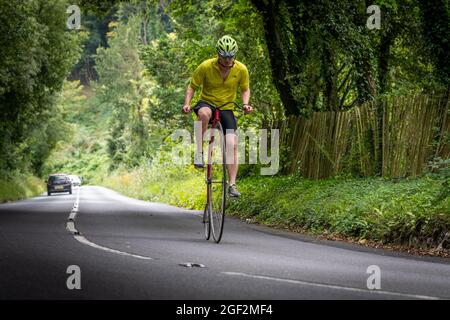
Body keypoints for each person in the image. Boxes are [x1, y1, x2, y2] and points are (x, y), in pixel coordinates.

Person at [182, 35, 253, 198]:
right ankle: (199, 152)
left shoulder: (241, 69)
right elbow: (192, 87)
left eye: (231, 57)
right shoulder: (206, 66)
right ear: (218, 55)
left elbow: (245, 88)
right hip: (207, 102)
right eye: (224, 57)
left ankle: (232, 184)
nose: (228, 60)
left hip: (226, 108)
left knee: (232, 143)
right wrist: (187, 103)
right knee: (204, 113)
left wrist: (245, 104)